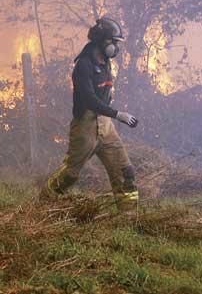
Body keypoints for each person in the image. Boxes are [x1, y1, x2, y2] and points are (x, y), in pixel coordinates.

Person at [42, 17, 140, 211]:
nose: (115, 47)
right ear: (103, 41)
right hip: (85, 127)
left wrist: (109, 109)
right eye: (113, 42)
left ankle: (129, 216)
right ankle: (43, 201)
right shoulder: (84, 65)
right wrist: (117, 114)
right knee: (70, 174)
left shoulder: (105, 63)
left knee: (125, 171)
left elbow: (104, 94)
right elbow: (89, 99)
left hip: (106, 127)